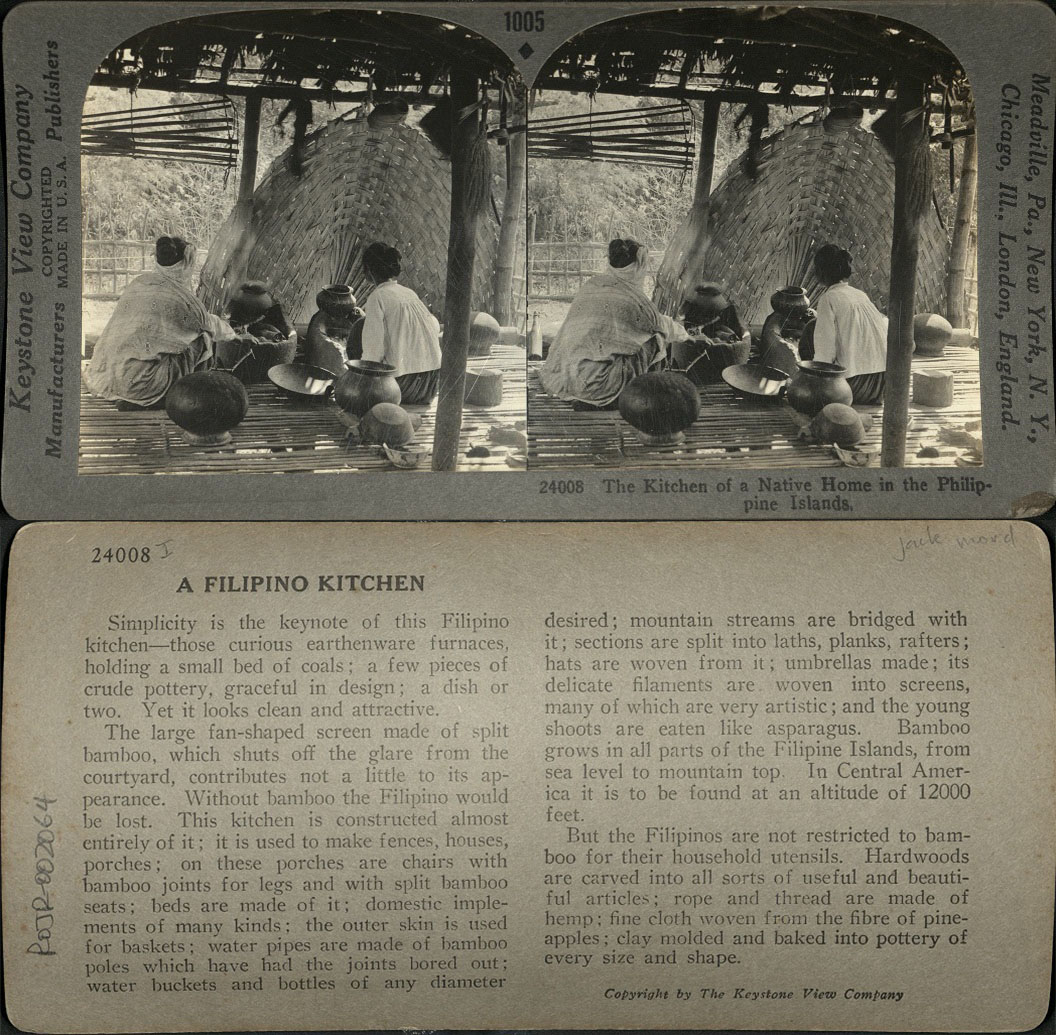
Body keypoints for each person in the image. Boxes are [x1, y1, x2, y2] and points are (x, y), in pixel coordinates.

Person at [84, 236, 234, 409]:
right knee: (204, 337)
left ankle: (131, 395)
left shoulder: (139, 283)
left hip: (110, 374)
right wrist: (234, 334)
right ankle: (179, 395)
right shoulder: (183, 299)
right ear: (185, 265)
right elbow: (209, 324)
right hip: (143, 382)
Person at [540, 238, 688, 409]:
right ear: (637, 267)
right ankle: (632, 394)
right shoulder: (632, 299)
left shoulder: (593, 285)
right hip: (597, 383)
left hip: (567, 374)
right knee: (656, 338)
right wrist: (687, 336)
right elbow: (660, 325)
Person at [359, 242, 442, 405]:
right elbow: (433, 325)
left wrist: (360, 379)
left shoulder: (377, 297)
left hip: (402, 388)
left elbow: (373, 351)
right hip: (431, 384)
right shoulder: (409, 293)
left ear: (368, 271)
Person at [806, 243, 888, 404]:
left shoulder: (828, 299)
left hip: (852, 388)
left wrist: (812, 382)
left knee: (810, 333)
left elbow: (824, 353)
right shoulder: (860, 295)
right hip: (881, 385)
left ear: (821, 272)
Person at [672, 283, 751, 385]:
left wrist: (721, 336)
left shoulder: (726, 312)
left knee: (720, 336)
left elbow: (735, 327)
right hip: (697, 347)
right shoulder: (689, 309)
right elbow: (681, 324)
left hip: (715, 342)